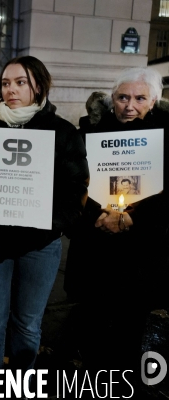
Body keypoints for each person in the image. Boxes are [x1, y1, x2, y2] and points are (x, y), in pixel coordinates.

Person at [0, 56, 88, 394]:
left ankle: (20, 382)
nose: (11, 89)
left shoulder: (62, 132)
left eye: (20, 82)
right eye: (6, 83)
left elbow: (76, 190)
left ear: (38, 85)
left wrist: (47, 222)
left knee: (27, 324)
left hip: (40, 247)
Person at [64, 67, 169, 390]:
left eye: (139, 98)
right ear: (113, 99)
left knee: (130, 327)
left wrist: (134, 218)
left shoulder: (165, 140)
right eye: (123, 97)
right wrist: (96, 214)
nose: (129, 105)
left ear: (153, 101)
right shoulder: (91, 136)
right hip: (96, 248)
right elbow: (74, 184)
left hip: (141, 252)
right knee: (93, 322)